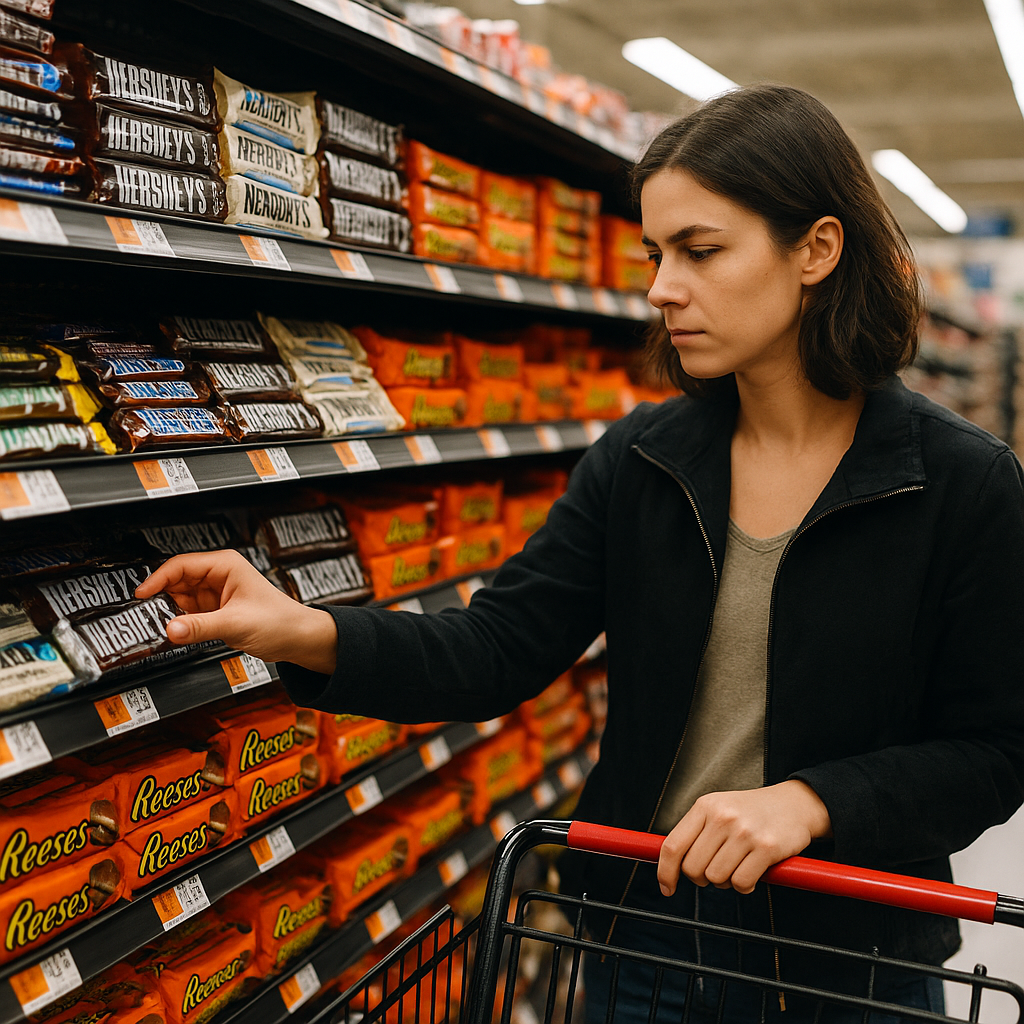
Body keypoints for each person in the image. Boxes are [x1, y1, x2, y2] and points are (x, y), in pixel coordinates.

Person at [136, 85, 1024, 1022]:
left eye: (701, 251)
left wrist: (813, 801)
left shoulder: (961, 484)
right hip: (645, 940)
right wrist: (302, 628)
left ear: (817, 249)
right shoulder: (644, 462)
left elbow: (997, 750)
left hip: (851, 963)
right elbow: (498, 649)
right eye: (655, 253)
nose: (659, 288)